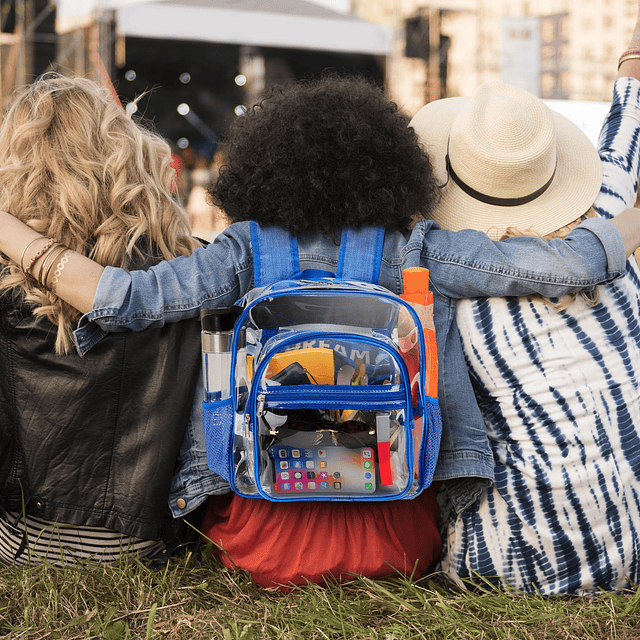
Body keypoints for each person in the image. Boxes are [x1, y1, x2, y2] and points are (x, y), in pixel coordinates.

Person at [0, 73, 639, 584]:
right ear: (391, 167)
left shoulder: (241, 252)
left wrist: (17, 236)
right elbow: (569, 263)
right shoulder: (413, 249)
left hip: (258, 541)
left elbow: (120, 298)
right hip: (401, 537)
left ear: (261, 167)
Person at [408, 7, 640, 594]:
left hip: (503, 566)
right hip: (632, 549)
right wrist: (631, 64)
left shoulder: (443, 275)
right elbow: (626, 126)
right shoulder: (610, 213)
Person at [0, 74, 203, 566]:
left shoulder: (7, 279)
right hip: (140, 539)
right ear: (120, 148)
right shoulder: (180, 269)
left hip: (21, 536)